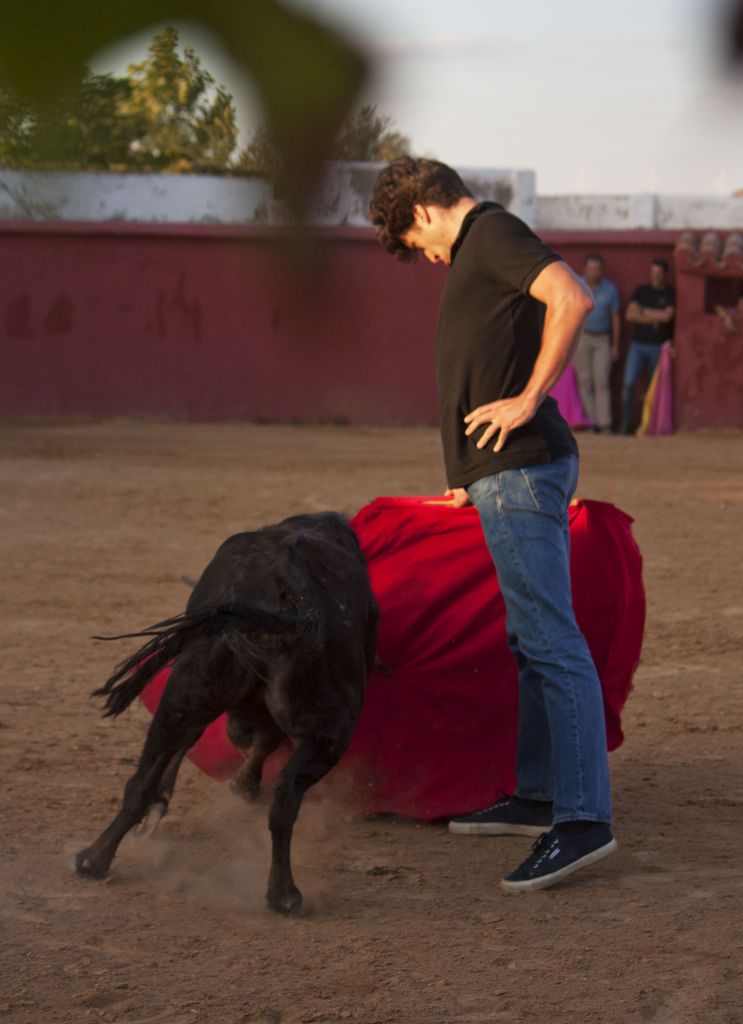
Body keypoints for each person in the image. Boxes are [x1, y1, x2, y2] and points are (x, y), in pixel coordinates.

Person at [369, 157, 617, 893]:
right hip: (496, 478)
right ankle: (540, 794)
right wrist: (463, 475)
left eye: (414, 245)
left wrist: (527, 400)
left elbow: (569, 298)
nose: (424, 257)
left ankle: (580, 821)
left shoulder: (491, 232)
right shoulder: (482, 247)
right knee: (529, 636)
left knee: (548, 639)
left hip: (519, 469)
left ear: (420, 213)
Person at [620, 260, 675, 435]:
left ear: (665, 275)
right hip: (638, 345)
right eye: (653, 272)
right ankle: (626, 424)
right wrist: (655, 317)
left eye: (658, 273)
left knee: (654, 388)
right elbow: (630, 314)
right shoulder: (642, 290)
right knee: (629, 383)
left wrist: (643, 311)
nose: (655, 276)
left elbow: (667, 317)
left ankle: (649, 425)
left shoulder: (670, 293)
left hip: (658, 347)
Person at [572, 254, 620, 433]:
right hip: (582, 337)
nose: (594, 272)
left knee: (602, 380)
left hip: (602, 338)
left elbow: (615, 318)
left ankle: (604, 423)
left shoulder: (610, 289)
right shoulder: (577, 284)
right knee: (585, 380)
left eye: (597, 269)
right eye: (591, 269)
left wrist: (615, 344)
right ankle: (590, 422)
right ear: (584, 269)